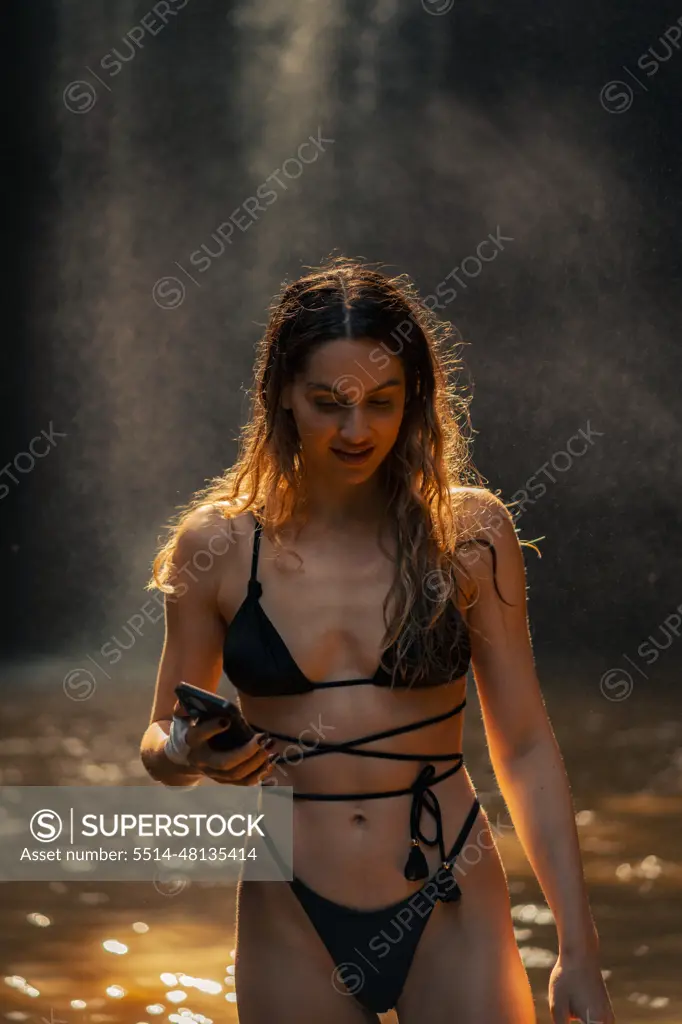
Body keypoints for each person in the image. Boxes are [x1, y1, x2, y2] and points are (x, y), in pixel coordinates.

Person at [140, 258, 615, 1024]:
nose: (357, 429)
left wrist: (578, 950)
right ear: (281, 398)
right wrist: (188, 753)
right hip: (290, 907)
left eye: (382, 402)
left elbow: (523, 744)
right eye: (329, 403)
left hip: (449, 893)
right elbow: (159, 739)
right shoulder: (219, 548)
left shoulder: (468, 536)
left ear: (415, 400)